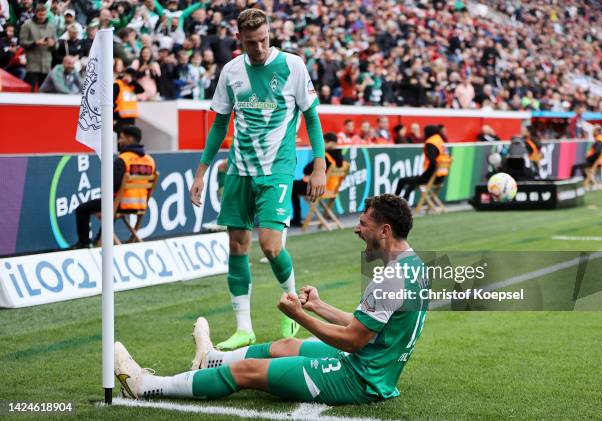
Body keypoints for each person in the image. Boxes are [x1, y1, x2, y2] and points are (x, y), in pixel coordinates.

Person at [115, 194, 428, 405]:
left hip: (359, 379)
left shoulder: (390, 277)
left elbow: (352, 341)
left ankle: (144, 386)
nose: (356, 229)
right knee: (286, 346)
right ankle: (209, 359)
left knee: (246, 371)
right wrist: (318, 306)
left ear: (385, 230)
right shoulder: (415, 266)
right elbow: (370, 326)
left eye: (363, 223)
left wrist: (299, 315)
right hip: (375, 368)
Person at [188, 9, 326, 351]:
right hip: (239, 169)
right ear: (240, 40)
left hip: (277, 167)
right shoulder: (231, 71)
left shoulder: (292, 66)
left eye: (264, 39)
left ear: (270, 34)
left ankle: (292, 304)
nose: (260, 47)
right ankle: (244, 328)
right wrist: (201, 173)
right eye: (252, 42)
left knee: (270, 244)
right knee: (236, 246)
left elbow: (311, 117)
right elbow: (219, 124)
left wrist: (320, 165)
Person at [72, 127, 155, 248]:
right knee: (111, 205)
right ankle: (99, 240)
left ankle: (84, 243)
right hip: (140, 204)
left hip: (121, 204)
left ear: (130, 139)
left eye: (121, 137)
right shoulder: (150, 161)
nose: (119, 141)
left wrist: (105, 209)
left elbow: (112, 186)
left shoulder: (123, 159)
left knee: (82, 209)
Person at [291, 132, 344, 227]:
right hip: (331, 190)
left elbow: (306, 170)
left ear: (329, 143)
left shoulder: (325, 157)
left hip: (318, 188)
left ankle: (296, 219)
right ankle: (297, 218)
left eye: (324, 142)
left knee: (292, 186)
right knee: (296, 185)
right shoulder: (341, 159)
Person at [395, 125, 450, 202]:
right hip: (441, 177)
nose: (423, 134)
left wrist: (425, 176)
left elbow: (433, 163)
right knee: (412, 185)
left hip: (432, 177)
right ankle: (403, 203)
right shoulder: (439, 141)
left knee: (402, 180)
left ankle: (393, 202)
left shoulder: (431, 143)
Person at [18, 4, 57, 91]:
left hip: (46, 64)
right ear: (35, 13)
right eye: (40, 14)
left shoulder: (51, 26)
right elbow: (21, 42)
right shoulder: (27, 25)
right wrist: (35, 43)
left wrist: (53, 44)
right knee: (29, 90)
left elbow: (56, 44)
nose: (42, 16)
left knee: (45, 91)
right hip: (32, 64)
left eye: (44, 14)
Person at [113, 68, 143, 133]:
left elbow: (141, 90)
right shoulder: (118, 84)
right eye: (128, 75)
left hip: (131, 118)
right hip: (120, 118)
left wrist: (132, 82)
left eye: (132, 76)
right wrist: (113, 118)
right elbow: (112, 101)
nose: (129, 77)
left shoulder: (132, 86)